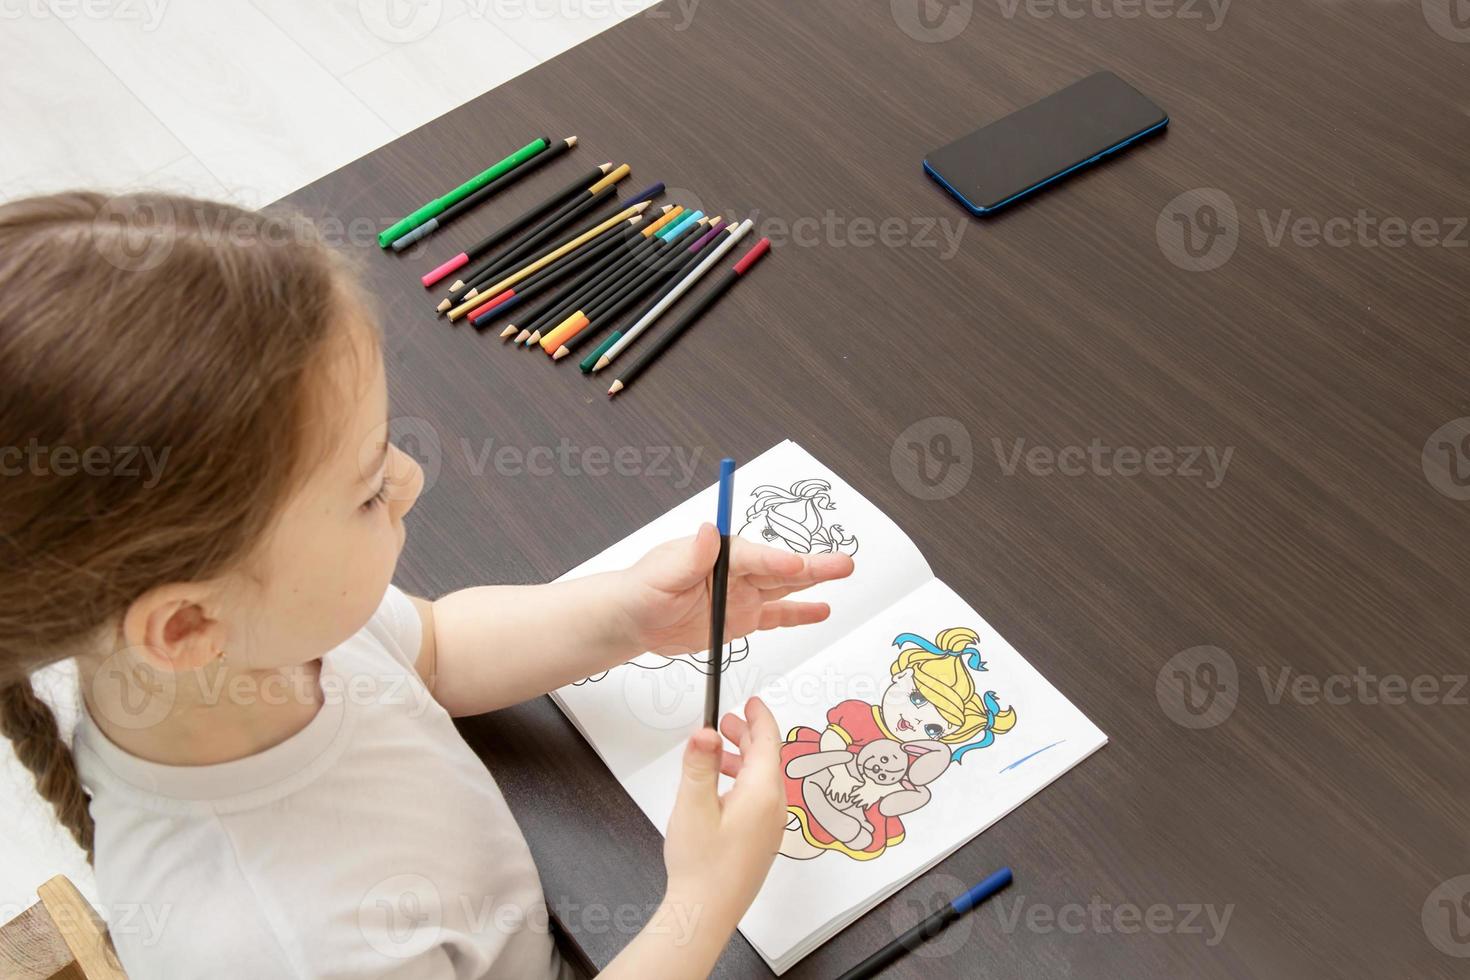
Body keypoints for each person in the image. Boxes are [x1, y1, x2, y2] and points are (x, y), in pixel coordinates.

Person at [0, 192, 854, 978]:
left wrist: (623, 612)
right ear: (185, 626)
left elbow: (434, 648)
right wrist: (700, 905)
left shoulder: (258, 645)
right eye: (368, 487)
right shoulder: (289, 949)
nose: (409, 480)